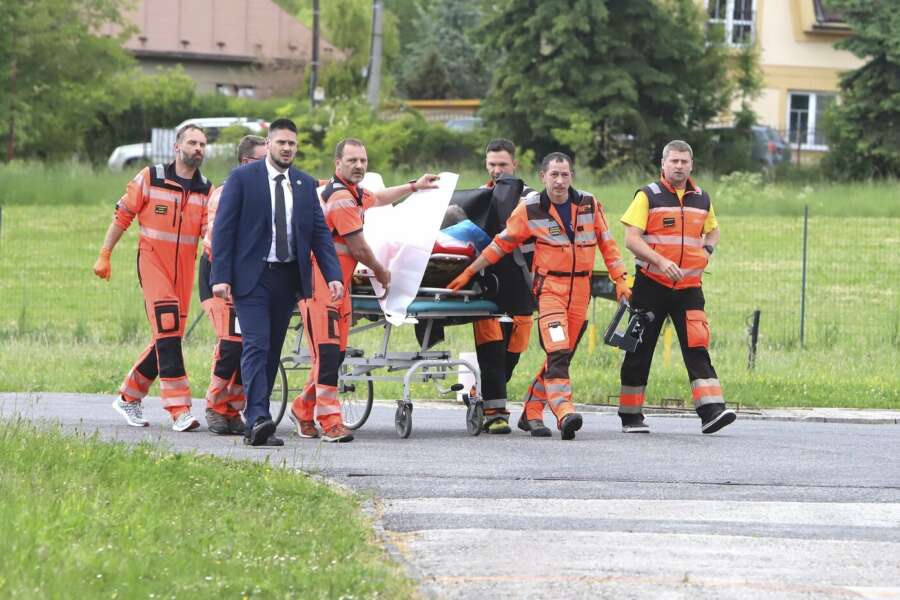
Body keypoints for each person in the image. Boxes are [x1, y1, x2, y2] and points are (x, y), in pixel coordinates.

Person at [450, 152, 629, 440]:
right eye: (554, 175)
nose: (559, 181)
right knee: (557, 351)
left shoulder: (589, 204)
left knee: (563, 355)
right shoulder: (529, 209)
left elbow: (608, 245)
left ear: (571, 176)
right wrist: (469, 271)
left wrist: (620, 280)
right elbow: (501, 244)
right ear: (542, 177)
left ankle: (532, 412)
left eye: (565, 174)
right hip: (550, 291)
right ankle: (564, 411)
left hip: (581, 291)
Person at [290, 138, 439, 442]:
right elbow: (358, 247)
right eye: (352, 161)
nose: (359, 166)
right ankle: (330, 421)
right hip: (320, 285)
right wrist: (383, 273)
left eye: (363, 161)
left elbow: (380, 198)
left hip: (337, 285)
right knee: (329, 354)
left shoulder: (354, 194)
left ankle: (302, 408)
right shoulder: (341, 198)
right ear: (338, 164)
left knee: (335, 354)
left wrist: (413, 187)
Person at [210, 118, 343, 447]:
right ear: (269, 145)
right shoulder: (243, 179)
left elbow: (319, 234)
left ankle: (259, 418)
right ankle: (256, 418)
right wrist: (221, 277)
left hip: (286, 278)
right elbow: (224, 230)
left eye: (292, 144)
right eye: (281, 142)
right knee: (255, 344)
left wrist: (334, 275)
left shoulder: (303, 184)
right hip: (251, 279)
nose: (287, 148)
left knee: (271, 351)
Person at [93, 124, 213, 432]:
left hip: (184, 272)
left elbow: (210, 235)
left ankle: (128, 396)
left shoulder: (205, 190)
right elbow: (122, 214)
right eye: (192, 142)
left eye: (202, 143)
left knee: (167, 337)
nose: (198, 147)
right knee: (169, 330)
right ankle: (179, 410)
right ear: (177, 147)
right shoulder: (151, 177)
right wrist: (105, 254)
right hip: (152, 263)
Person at [617, 139, 736, 434]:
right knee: (639, 349)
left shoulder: (702, 198)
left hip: (689, 287)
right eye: (674, 161)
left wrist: (707, 253)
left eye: (684, 162)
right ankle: (630, 415)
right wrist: (659, 261)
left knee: (697, 345)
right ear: (663, 164)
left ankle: (711, 411)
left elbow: (714, 231)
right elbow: (632, 239)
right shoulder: (647, 196)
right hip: (651, 284)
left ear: (691, 165)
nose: (679, 166)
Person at [198, 135, 267, 435]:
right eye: (265, 160)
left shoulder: (268, 194)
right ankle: (215, 406)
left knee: (246, 345)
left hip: (250, 279)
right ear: (246, 163)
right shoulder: (224, 194)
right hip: (220, 275)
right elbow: (217, 243)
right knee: (229, 345)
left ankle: (232, 408)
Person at [472, 139, 537, 434]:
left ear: (515, 166)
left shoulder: (532, 198)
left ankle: (480, 394)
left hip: (522, 282)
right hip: (487, 283)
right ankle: (495, 414)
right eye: (492, 165)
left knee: (515, 347)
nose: (497, 171)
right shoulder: (479, 197)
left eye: (503, 165)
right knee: (491, 347)